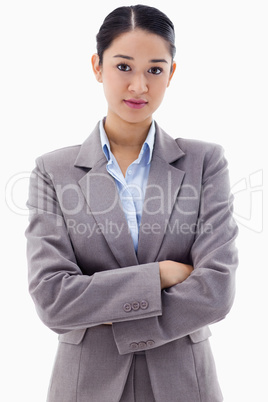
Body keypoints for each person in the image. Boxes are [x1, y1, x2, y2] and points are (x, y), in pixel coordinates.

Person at [25, 4, 238, 402]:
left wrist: (109, 316)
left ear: (171, 73)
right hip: (86, 386)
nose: (139, 86)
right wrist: (158, 275)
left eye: (155, 70)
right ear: (97, 67)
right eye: (124, 67)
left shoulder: (205, 163)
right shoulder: (53, 171)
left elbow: (216, 291)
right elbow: (53, 299)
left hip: (183, 385)